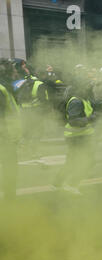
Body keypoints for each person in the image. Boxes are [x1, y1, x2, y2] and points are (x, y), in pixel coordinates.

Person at [53, 69, 97, 195]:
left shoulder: (84, 99)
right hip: (77, 137)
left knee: (75, 161)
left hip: (82, 135)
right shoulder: (76, 101)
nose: (90, 87)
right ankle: (71, 184)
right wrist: (91, 119)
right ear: (81, 87)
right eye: (88, 85)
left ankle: (58, 183)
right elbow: (74, 121)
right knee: (84, 161)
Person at [15, 68, 49, 159]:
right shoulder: (39, 84)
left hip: (23, 111)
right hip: (35, 112)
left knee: (26, 132)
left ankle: (23, 152)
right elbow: (44, 100)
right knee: (37, 132)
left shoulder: (21, 83)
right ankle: (34, 152)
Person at [0, 59, 21, 202]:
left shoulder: (6, 87)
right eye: (13, 69)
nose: (15, 72)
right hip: (4, 137)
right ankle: (10, 201)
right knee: (10, 168)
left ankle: (10, 198)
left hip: (7, 137)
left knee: (10, 168)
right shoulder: (1, 89)